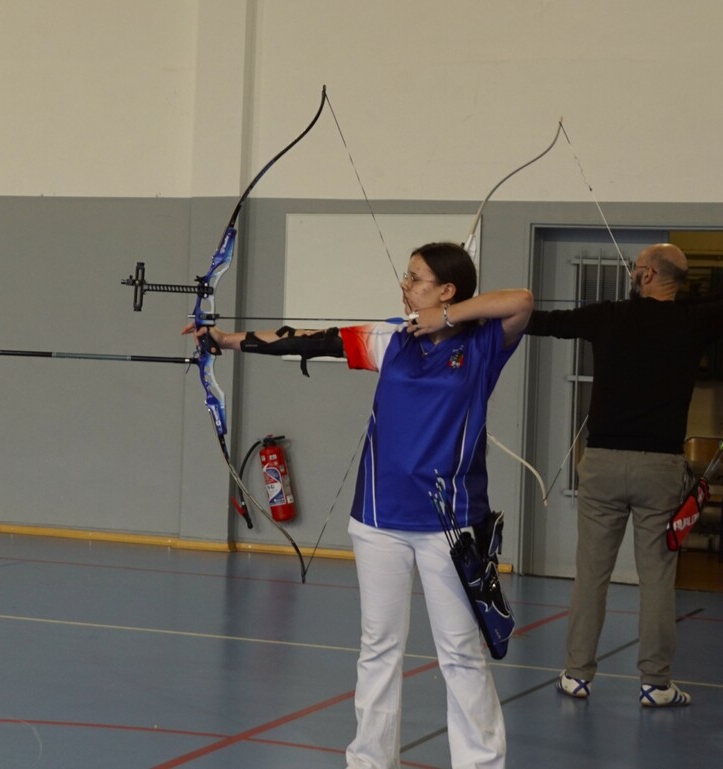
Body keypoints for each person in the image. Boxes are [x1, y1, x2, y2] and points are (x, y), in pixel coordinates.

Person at [191, 242, 532, 769]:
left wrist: (447, 317)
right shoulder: (392, 338)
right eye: (407, 276)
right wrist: (225, 340)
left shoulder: (483, 342)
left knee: (461, 652)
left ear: (447, 290)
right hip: (378, 519)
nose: (405, 285)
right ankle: (369, 761)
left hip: (450, 525)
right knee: (379, 647)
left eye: (417, 279)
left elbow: (522, 301)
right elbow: (307, 340)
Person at [524, 242, 723, 707]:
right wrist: (681, 299)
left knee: (591, 575)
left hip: (604, 465)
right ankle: (655, 683)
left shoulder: (610, 315)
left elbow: (544, 322)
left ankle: (577, 675)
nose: (633, 273)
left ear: (648, 275)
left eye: (638, 269)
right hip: (660, 470)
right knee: (656, 580)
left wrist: (472, 317)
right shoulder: (692, 320)